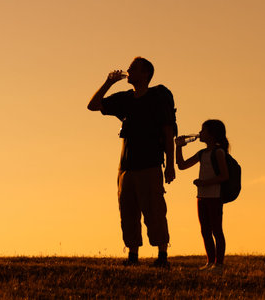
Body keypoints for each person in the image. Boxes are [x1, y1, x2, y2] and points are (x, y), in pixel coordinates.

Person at [87, 57, 176, 267]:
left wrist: (170, 165)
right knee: (127, 211)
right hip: (126, 167)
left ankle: (162, 256)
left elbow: (168, 131)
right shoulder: (125, 99)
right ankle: (133, 255)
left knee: (154, 211)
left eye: (133, 68)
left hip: (150, 164)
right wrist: (108, 82)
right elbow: (93, 105)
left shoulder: (157, 97)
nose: (127, 70)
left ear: (146, 73)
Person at [175, 119, 230, 271]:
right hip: (202, 196)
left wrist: (204, 183)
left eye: (202, 131)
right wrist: (178, 147)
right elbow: (182, 165)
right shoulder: (202, 154)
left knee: (216, 230)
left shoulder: (218, 152)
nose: (199, 134)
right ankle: (210, 262)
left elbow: (224, 176)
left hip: (214, 196)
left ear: (211, 134)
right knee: (205, 230)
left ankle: (219, 264)